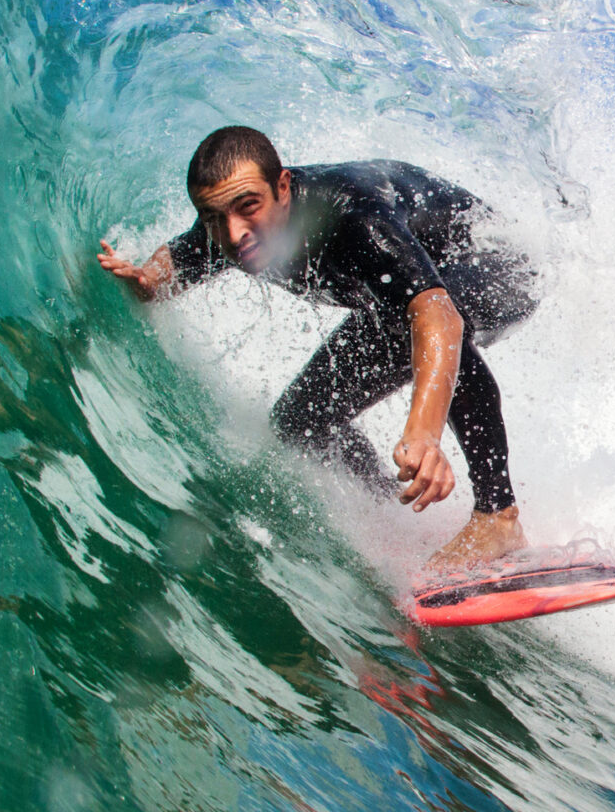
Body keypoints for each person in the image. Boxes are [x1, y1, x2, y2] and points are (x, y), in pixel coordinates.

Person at [98, 126, 536, 569]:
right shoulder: (233, 222)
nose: (234, 234)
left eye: (248, 206)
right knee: (299, 422)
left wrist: (423, 434)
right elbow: (179, 260)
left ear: (283, 187)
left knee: (419, 321)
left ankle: (498, 516)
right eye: (213, 218)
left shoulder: (354, 220)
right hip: (417, 299)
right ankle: (395, 513)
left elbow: (437, 317)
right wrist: (145, 279)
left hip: (501, 266)